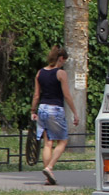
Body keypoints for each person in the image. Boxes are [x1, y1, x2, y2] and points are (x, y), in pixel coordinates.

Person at [30, 46, 79, 185]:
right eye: (64, 60)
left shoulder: (40, 73)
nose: (64, 63)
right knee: (63, 141)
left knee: (47, 143)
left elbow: (36, 95)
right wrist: (75, 112)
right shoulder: (61, 73)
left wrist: (33, 111)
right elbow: (67, 95)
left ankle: (48, 177)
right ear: (61, 58)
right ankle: (49, 167)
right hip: (55, 109)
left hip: (42, 108)